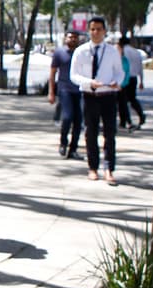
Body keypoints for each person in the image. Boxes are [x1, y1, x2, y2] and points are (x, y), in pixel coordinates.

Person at [69, 16, 125, 185]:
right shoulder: (81, 51)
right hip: (89, 96)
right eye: (92, 29)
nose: (95, 32)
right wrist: (88, 82)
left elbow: (119, 72)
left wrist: (117, 82)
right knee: (90, 132)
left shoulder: (112, 51)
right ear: (89, 31)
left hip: (108, 95)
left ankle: (109, 168)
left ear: (104, 31)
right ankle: (92, 167)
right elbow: (73, 75)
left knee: (110, 133)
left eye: (99, 29)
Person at [48, 30, 84, 159]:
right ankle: (63, 142)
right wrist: (51, 92)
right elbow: (52, 73)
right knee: (67, 117)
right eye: (70, 37)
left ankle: (73, 149)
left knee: (78, 120)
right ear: (65, 38)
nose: (73, 39)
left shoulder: (81, 53)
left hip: (79, 89)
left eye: (75, 37)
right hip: (64, 89)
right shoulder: (59, 53)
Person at [118, 35, 146, 129]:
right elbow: (140, 67)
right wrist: (141, 80)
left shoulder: (123, 51)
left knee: (122, 101)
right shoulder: (136, 52)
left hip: (124, 78)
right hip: (134, 78)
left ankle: (125, 121)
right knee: (132, 99)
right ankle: (140, 115)